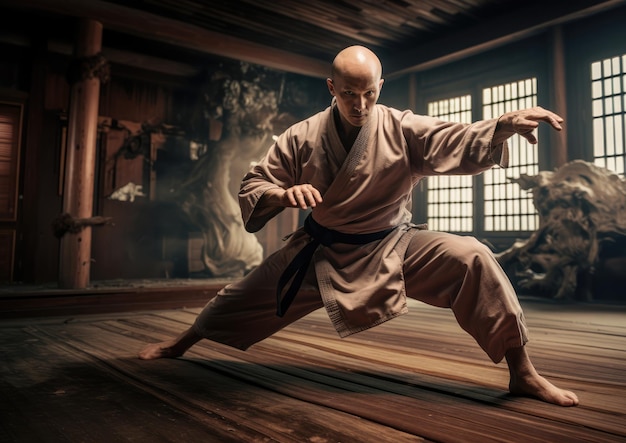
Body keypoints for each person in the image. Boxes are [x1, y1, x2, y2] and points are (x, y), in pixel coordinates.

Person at [139, 45, 579, 407]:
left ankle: (523, 372)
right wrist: (281, 194)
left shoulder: (401, 127)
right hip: (323, 251)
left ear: (380, 87)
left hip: (393, 244)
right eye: (349, 94)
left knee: (473, 257)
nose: (360, 105)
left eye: (369, 93)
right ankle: (179, 344)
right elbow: (256, 182)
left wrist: (500, 125)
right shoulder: (301, 136)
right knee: (241, 296)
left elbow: (454, 137)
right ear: (331, 87)